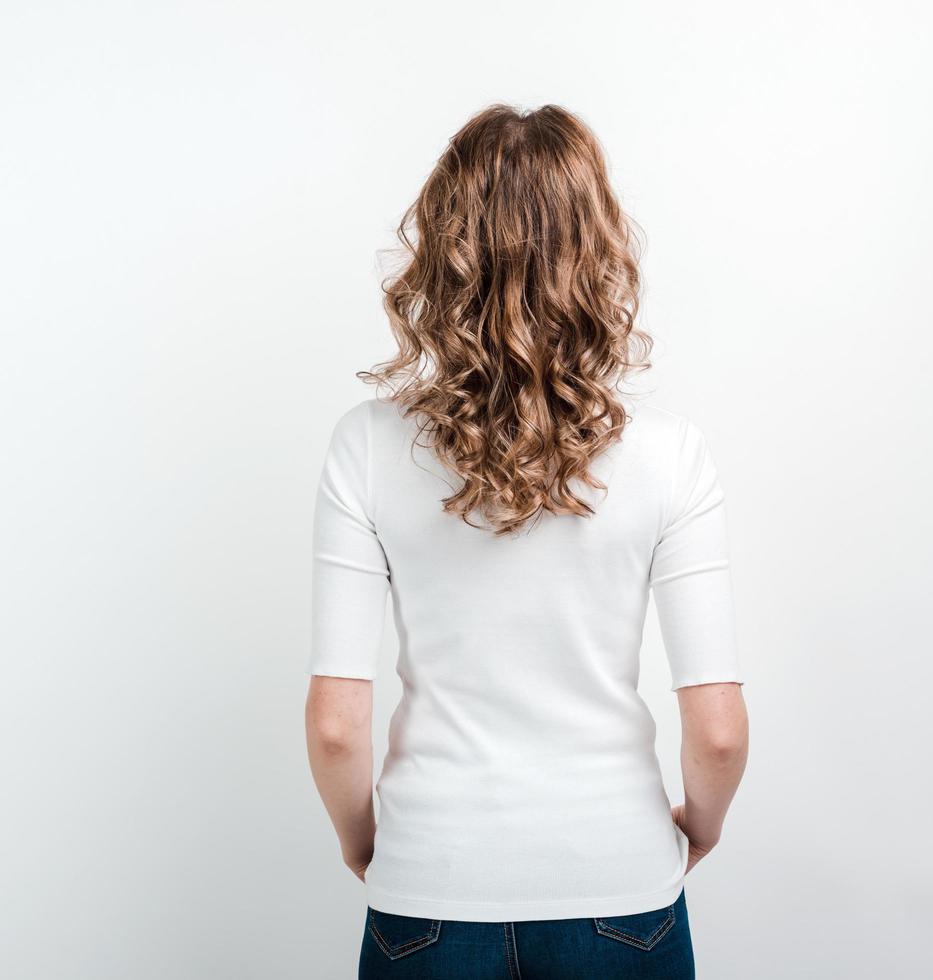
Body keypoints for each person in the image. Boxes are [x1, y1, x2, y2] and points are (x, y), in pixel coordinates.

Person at [303, 103, 749, 980]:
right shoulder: (670, 453)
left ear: (442, 244)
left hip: (429, 892)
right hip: (619, 886)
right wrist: (702, 824)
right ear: (596, 250)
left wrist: (365, 845)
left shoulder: (364, 444)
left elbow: (334, 727)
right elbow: (721, 732)